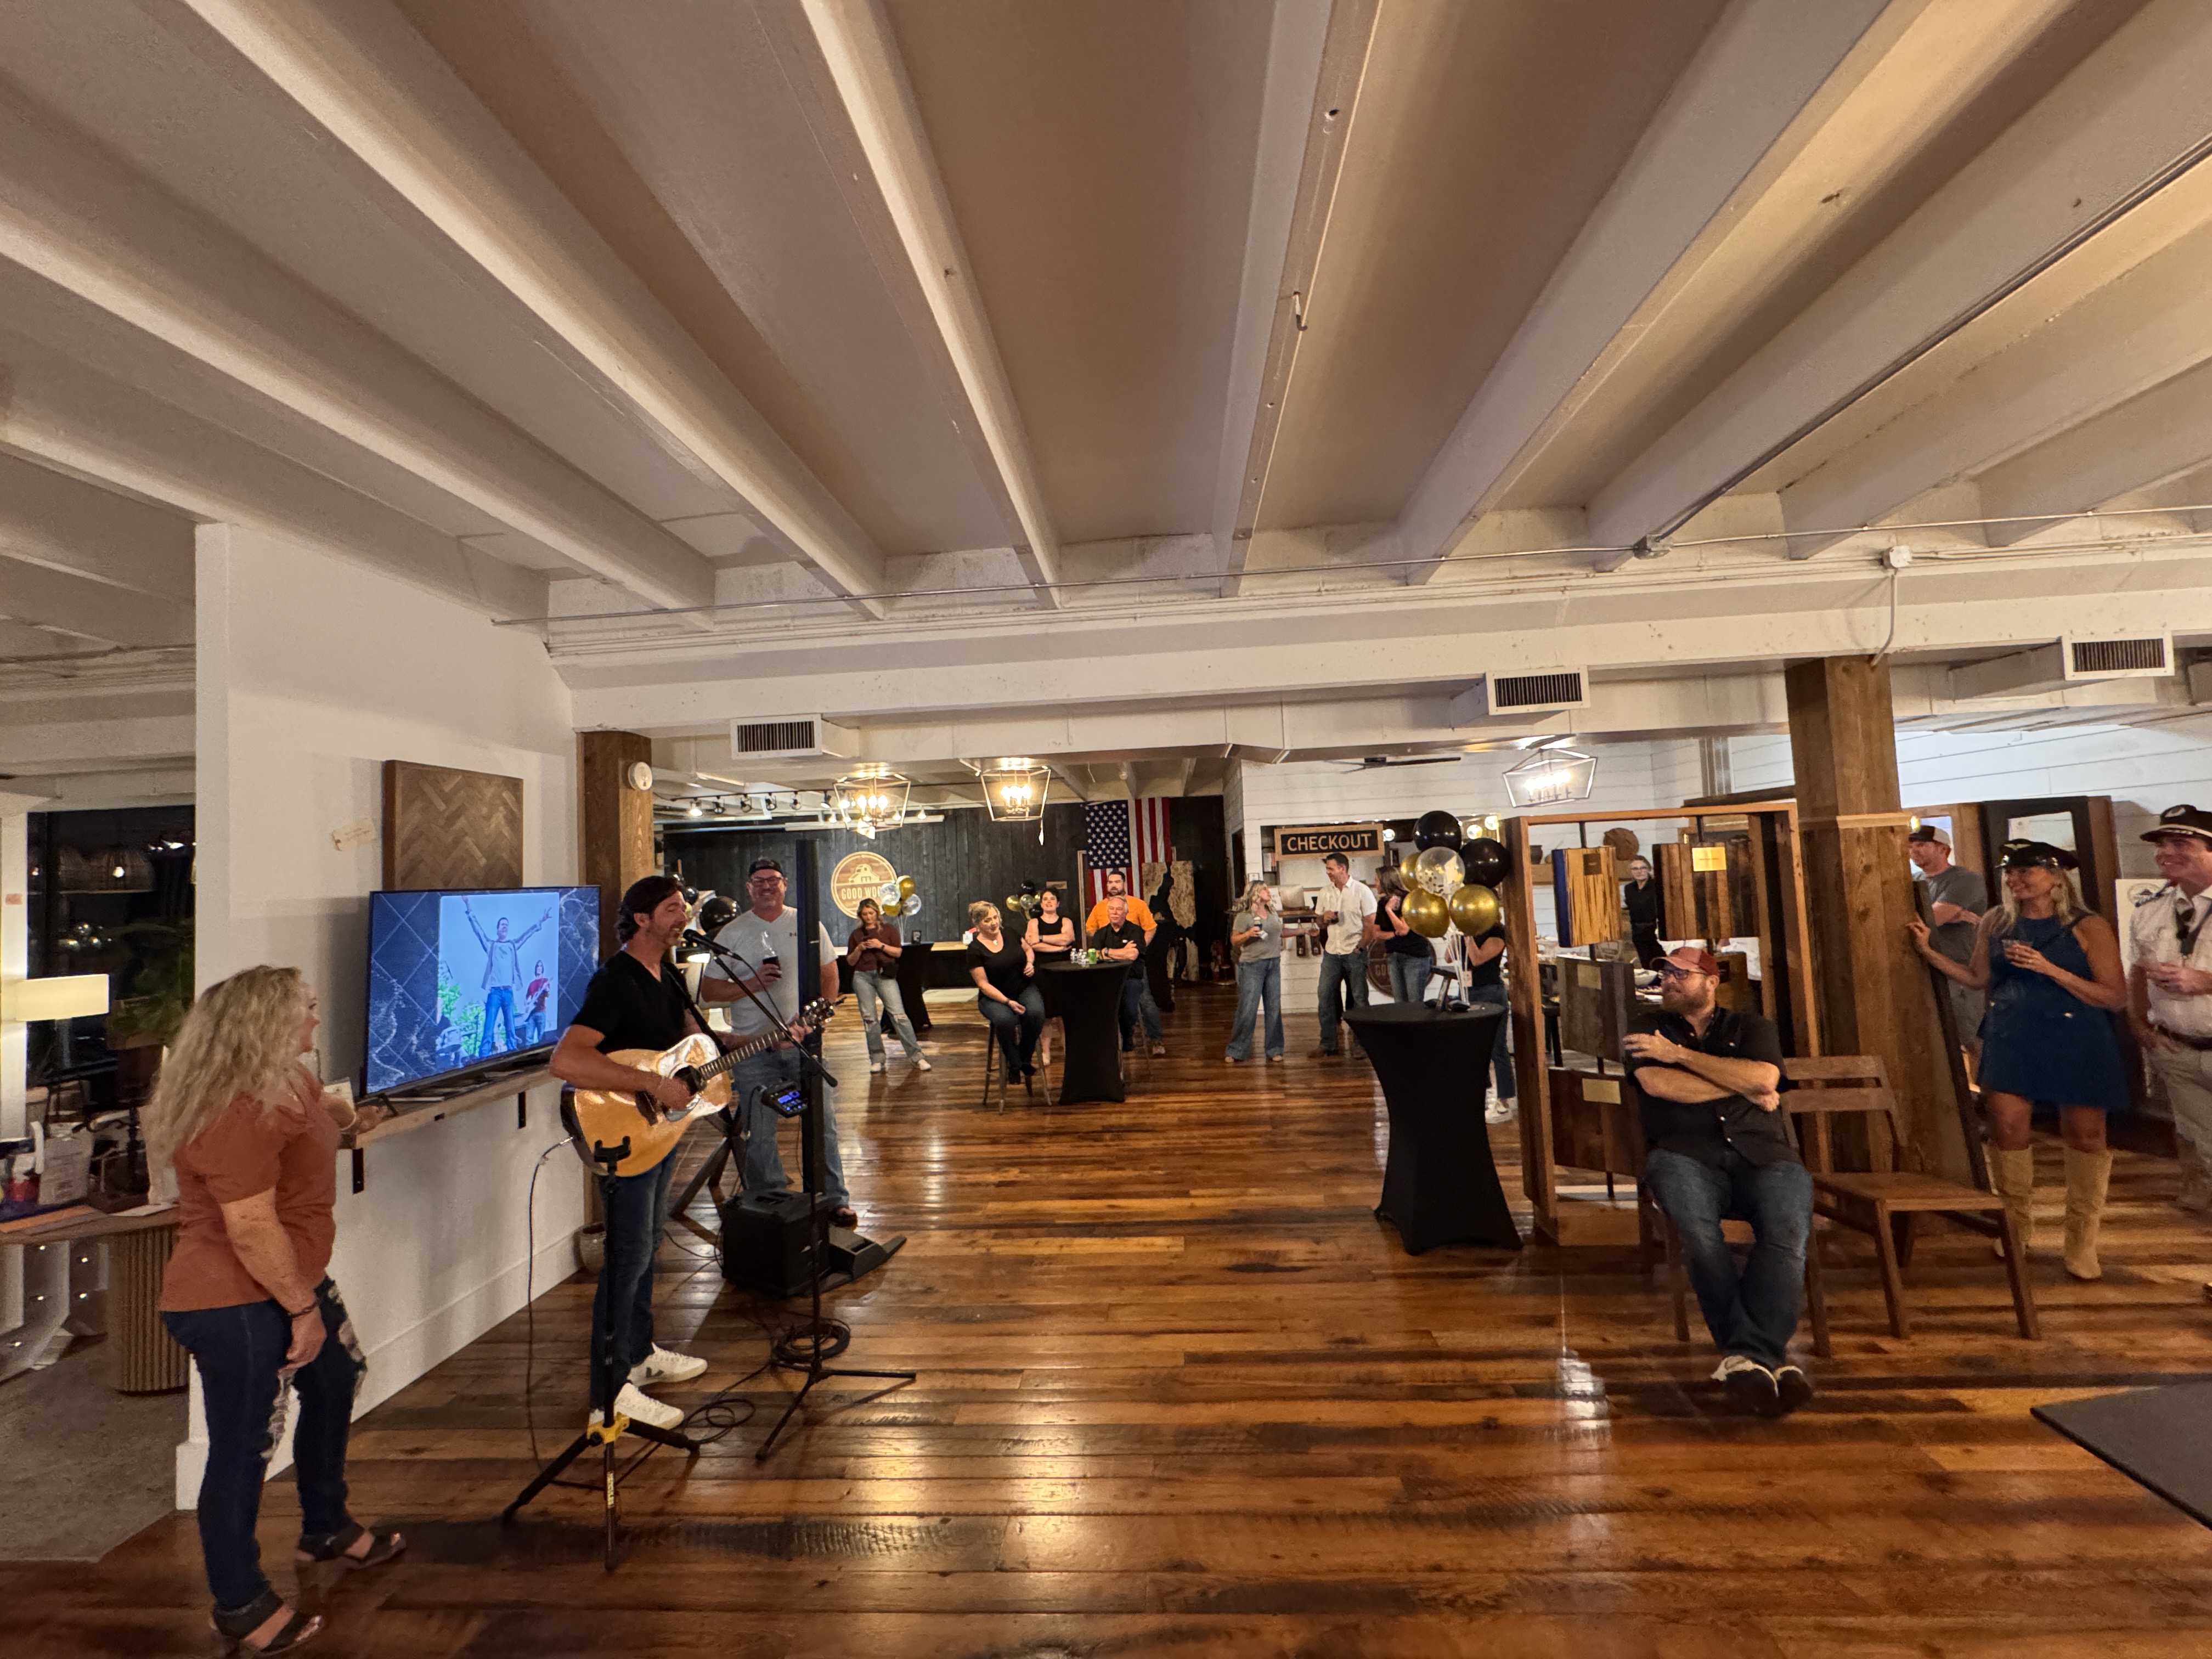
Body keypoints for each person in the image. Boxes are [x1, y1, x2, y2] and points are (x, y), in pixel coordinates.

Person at [151, 966, 403, 1654]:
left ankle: (326, 1525)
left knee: (338, 1377)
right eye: (307, 1008)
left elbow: (325, 1112)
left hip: (292, 1277)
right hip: (232, 1298)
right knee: (244, 1447)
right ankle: (238, 1602)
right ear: (263, 1023)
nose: (317, 1018)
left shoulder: (287, 1078)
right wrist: (301, 1310)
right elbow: (250, 1228)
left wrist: (352, 1119)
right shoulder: (233, 1111)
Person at [1910, 840, 2129, 1280]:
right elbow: (1978, 978)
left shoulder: (2087, 925)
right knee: (2007, 1126)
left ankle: (2081, 1242)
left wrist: (2050, 969)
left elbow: (2114, 996)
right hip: (2012, 1033)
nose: (2016, 879)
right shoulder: (1997, 920)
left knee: (2085, 1134)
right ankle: (2015, 1229)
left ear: (2056, 876)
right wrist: (1930, 952)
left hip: (2076, 1036)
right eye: (2010, 872)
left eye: (2027, 871)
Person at [549, 875, 715, 1436]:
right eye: (671, 909)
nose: (682, 918)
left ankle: (639, 1355)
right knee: (626, 1258)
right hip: (621, 1133)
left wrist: (775, 1038)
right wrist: (649, 1083)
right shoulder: (616, 979)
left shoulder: (668, 977)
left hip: (656, 1133)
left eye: (682, 908)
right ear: (641, 919)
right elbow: (567, 1060)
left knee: (646, 1248)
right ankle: (609, 1395)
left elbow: (696, 1053)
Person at [1626, 946, 1812, 1417]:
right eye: (1665, 973)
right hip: (1684, 1154)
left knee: (1787, 1234)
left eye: (1681, 974)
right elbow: (1662, 1086)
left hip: (1763, 1153)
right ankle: (1762, 1357)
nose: (1668, 980)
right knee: (1700, 1238)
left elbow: (1766, 1074)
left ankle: (1745, 1358)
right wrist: (1744, 1085)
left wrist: (1678, 1055)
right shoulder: (1647, 1028)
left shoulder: (1753, 1027)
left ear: (1712, 982)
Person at [701, 859, 855, 1228]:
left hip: (802, 1043)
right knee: (760, 1130)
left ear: (785, 884)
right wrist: (753, 984)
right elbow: (709, 991)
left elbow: (830, 977)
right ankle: (770, 1203)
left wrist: (813, 1024)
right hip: (753, 1047)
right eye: (759, 881)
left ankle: (833, 1198)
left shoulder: (806, 924)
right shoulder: (733, 933)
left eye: (773, 880)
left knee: (823, 1123)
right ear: (748, 888)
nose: (767, 886)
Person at [2129, 805, 2212, 1218]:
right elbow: (2136, 971)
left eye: (2181, 843)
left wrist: (2206, 981)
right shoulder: (2151, 910)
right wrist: (2139, 1025)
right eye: (2162, 844)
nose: (2165, 852)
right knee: (2206, 1152)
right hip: (2177, 1052)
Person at [1908, 826, 1989, 1056]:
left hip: (1958, 972)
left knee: (1973, 1041)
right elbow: (1906, 920)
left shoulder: (1966, 880)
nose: (1914, 851)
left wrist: (1937, 916)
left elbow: (1933, 918)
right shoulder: (1914, 881)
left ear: (1943, 849)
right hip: (1926, 969)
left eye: (1921, 845)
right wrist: (1953, 914)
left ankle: (1992, 1079)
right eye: (1911, 846)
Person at [848, 897, 929, 1076]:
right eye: (865, 914)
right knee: (870, 1019)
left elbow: (898, 952)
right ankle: (877, 1058)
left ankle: (916, 1056)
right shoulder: (856, 934)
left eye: (871, 913)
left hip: (885, 975)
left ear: (877, 913)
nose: (868, 917)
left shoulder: (889, 930)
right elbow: (851, 961)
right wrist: (859, 949)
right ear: (860, 916)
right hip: (862, 976)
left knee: (899, 1015)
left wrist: (880, 945)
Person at [1086, 871, 1164, 1054]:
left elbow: (1150, 929)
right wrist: (1108, 948)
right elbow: (1091, 931)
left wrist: (1139, 947)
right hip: (1108, 971)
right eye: (1110, 882)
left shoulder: (1138, 905)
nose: (1114, 885)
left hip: (1132, 969)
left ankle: (1156, 1040)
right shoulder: (1099, 907)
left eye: (1117, 881)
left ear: (1124, 883)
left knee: (1145, 1002)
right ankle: (1109, 1043)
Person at [968, 899, 1045, 1084]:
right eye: (987, 920)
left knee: (1036, 1013)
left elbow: (1028, 949)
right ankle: (1015, 1063)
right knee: (1005, 1020)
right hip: (994, 997)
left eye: (995, 918)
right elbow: (983, 984)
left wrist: (1030, 963)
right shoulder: (975, 950)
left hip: (1023, 987)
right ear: (978, 925)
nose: (993, 923)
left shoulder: (1010, 933)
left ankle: (1022, 1060)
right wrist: (1007, 1002)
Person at [1309, 852, 1377, 1058]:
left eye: (1330, 869)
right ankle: (1328, 1044)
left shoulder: (1362, 891)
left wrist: (1361, 947)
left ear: (1343, 869)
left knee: (1359, 999)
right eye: (1327, 869)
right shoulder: (1325, 892)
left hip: (1354, 951)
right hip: (1332, 952)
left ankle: (1361, 1044)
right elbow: (1320, 924)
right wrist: (1324, 918)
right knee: (1325, 996)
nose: (1328, 872)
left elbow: (1370, 925)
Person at [464, 898, 548, 1056]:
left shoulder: (512, 946)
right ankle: (483, 1057)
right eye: (502, 925)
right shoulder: (492, 946)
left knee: (511, 1028)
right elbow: (478, 931)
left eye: (507, 925)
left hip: (508, 992)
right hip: (495, 992)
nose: (505, 927)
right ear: (497, 930)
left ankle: (513, 1056)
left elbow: (526, 935)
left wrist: (540, 922)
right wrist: (468, 906)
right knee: (489, 1027)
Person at [1460, 914, 1516, 1121]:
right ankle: (1481, 1094)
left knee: (1496, 1046)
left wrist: (1468, 937)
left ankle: (1504, 1100)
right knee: (1474, 1047)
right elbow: (1450, 957)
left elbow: (1478, 959)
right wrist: (1458, 935)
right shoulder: (1470, 931)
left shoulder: (1497, 932)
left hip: (1490, 992)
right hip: (1469, 991)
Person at [1223, 879, 1284, 1064]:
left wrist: (1303, 931)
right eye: (1264, 889)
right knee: (1248, 1008)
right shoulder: (1244, 917)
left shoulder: (1272, 913)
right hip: (1252, 966)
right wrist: (1249, 934)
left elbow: (1278, 934)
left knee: (1274, 1008)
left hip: (1273, 963)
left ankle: (1274, 1049)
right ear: (1255, 894)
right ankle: (1236, 1050)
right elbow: (1235, 940)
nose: (1268, 891)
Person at [1091, 894, 1152, 1055]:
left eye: (1119, 909)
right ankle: (1105, 1041)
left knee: (1129, 1009)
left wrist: (1106, 952)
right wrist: (1119, 952)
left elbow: (1132, 955)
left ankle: (1127, 1037)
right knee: (1098, 1008)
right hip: (1107, 979)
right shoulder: (1101, 934)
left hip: (1130, 978)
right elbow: (1095, 955)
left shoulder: (1136, 931)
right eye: (1111, 909)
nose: (1115, 912)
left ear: (1126, 913)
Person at [1026, 888, 1076, 1066]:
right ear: (1041, 904)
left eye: (1052, 899)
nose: (1048, 902)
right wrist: (1057, 948)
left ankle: (1068, 1051)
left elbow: (1068, 939)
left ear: (1058, 903)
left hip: (1063, 972)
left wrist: (1042, 938)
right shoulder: (1034, 922)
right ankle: (1046, 1052)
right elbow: (1032, 944)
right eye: (1045, 899)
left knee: (1064, 1014)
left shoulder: (1066, 921)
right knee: (1047, 1014)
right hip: (1043, 972)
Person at [1375, 867, 1434, 1007]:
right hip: (1394, 956)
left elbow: (1403, 929)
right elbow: (1376, 933)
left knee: (1414, 1003)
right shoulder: (1382, 903)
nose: (1375, 884)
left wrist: (1389, 911)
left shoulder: (1408, 899)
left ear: (1385, 881)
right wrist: (1393, 934)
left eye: (1377, 880)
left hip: (1414, 956)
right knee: (1399, 1003)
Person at [1623, 856, 1666, 968]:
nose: (1639, 871)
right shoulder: (1629, 888)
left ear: (1648, 869)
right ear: (1631, 871)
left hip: (1654, 929)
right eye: (1635, 869)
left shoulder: (1656, 885)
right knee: (1645, 963)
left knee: (1660, 962)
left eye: (1643, 868)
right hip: (1637, 931)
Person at [521, 960, 551, 1045]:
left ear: (542, 969)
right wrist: (528, 1005)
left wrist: (547, 990)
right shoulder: (532, 984)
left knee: (541, 1037)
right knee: (528, 1038)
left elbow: (548, 995)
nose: (539, 968)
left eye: (541, 966)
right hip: (531, 1014)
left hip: (541, 1012)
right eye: (538, 966)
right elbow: (526, 999)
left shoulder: (545, 981)